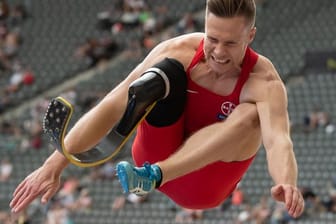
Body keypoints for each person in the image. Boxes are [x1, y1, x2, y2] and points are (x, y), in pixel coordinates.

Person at [10, 0, 304, 219]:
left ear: (250, 36)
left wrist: (286, 183)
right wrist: (54, 165)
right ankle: (143, 133)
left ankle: (152, 175)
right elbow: (115, 100)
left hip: (203, 185)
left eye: (230, 43)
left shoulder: (263, 81)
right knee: (163, 74)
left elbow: (278, 140)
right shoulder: (179, 49)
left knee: (251, 115)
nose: (218, 52)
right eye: (212, 39)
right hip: (154, 151)